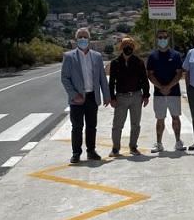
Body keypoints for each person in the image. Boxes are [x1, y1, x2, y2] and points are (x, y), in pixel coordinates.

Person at [61, 28, 110, 163]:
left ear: (89, 39)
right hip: (77, 99)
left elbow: (102, 78)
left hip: (92, 97)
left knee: (91, 126)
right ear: (77, 40)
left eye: (85, 37)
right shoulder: (69, 56)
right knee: (77, 127)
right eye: (80, 37)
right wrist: (74, 95)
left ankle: (91, 151)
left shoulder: (97, 56)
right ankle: (76, 153)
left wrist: (106, 95)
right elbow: (65, 78)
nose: (83, 39)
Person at [108, 36, 150, 157]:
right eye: (126, 46)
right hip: (121, 97)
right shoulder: (115, 63)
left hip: (137, 96)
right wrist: (112, 97)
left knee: (135, 124)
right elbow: (111, 82)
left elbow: (144, 80)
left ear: (133, 48)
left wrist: (146, 95)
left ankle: (133, 147)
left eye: (130, 46)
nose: (128, 48)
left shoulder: (139, 62)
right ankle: (115, 148)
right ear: (122, 47)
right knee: (117, 125)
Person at [146, 28, 186, 152]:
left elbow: (179, 73)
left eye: (165, 37)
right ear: (157, 39)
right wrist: (160, 87)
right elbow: (150, 74)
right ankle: (159, 144)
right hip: (159, 94)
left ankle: (178, 142)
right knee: (160, 119)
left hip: (174, 93)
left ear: (168, 39)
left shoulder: (176, 55)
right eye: (160, 37)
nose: (162, 39)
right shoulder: (152, 56)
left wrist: (168, 87)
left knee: (175, 117)